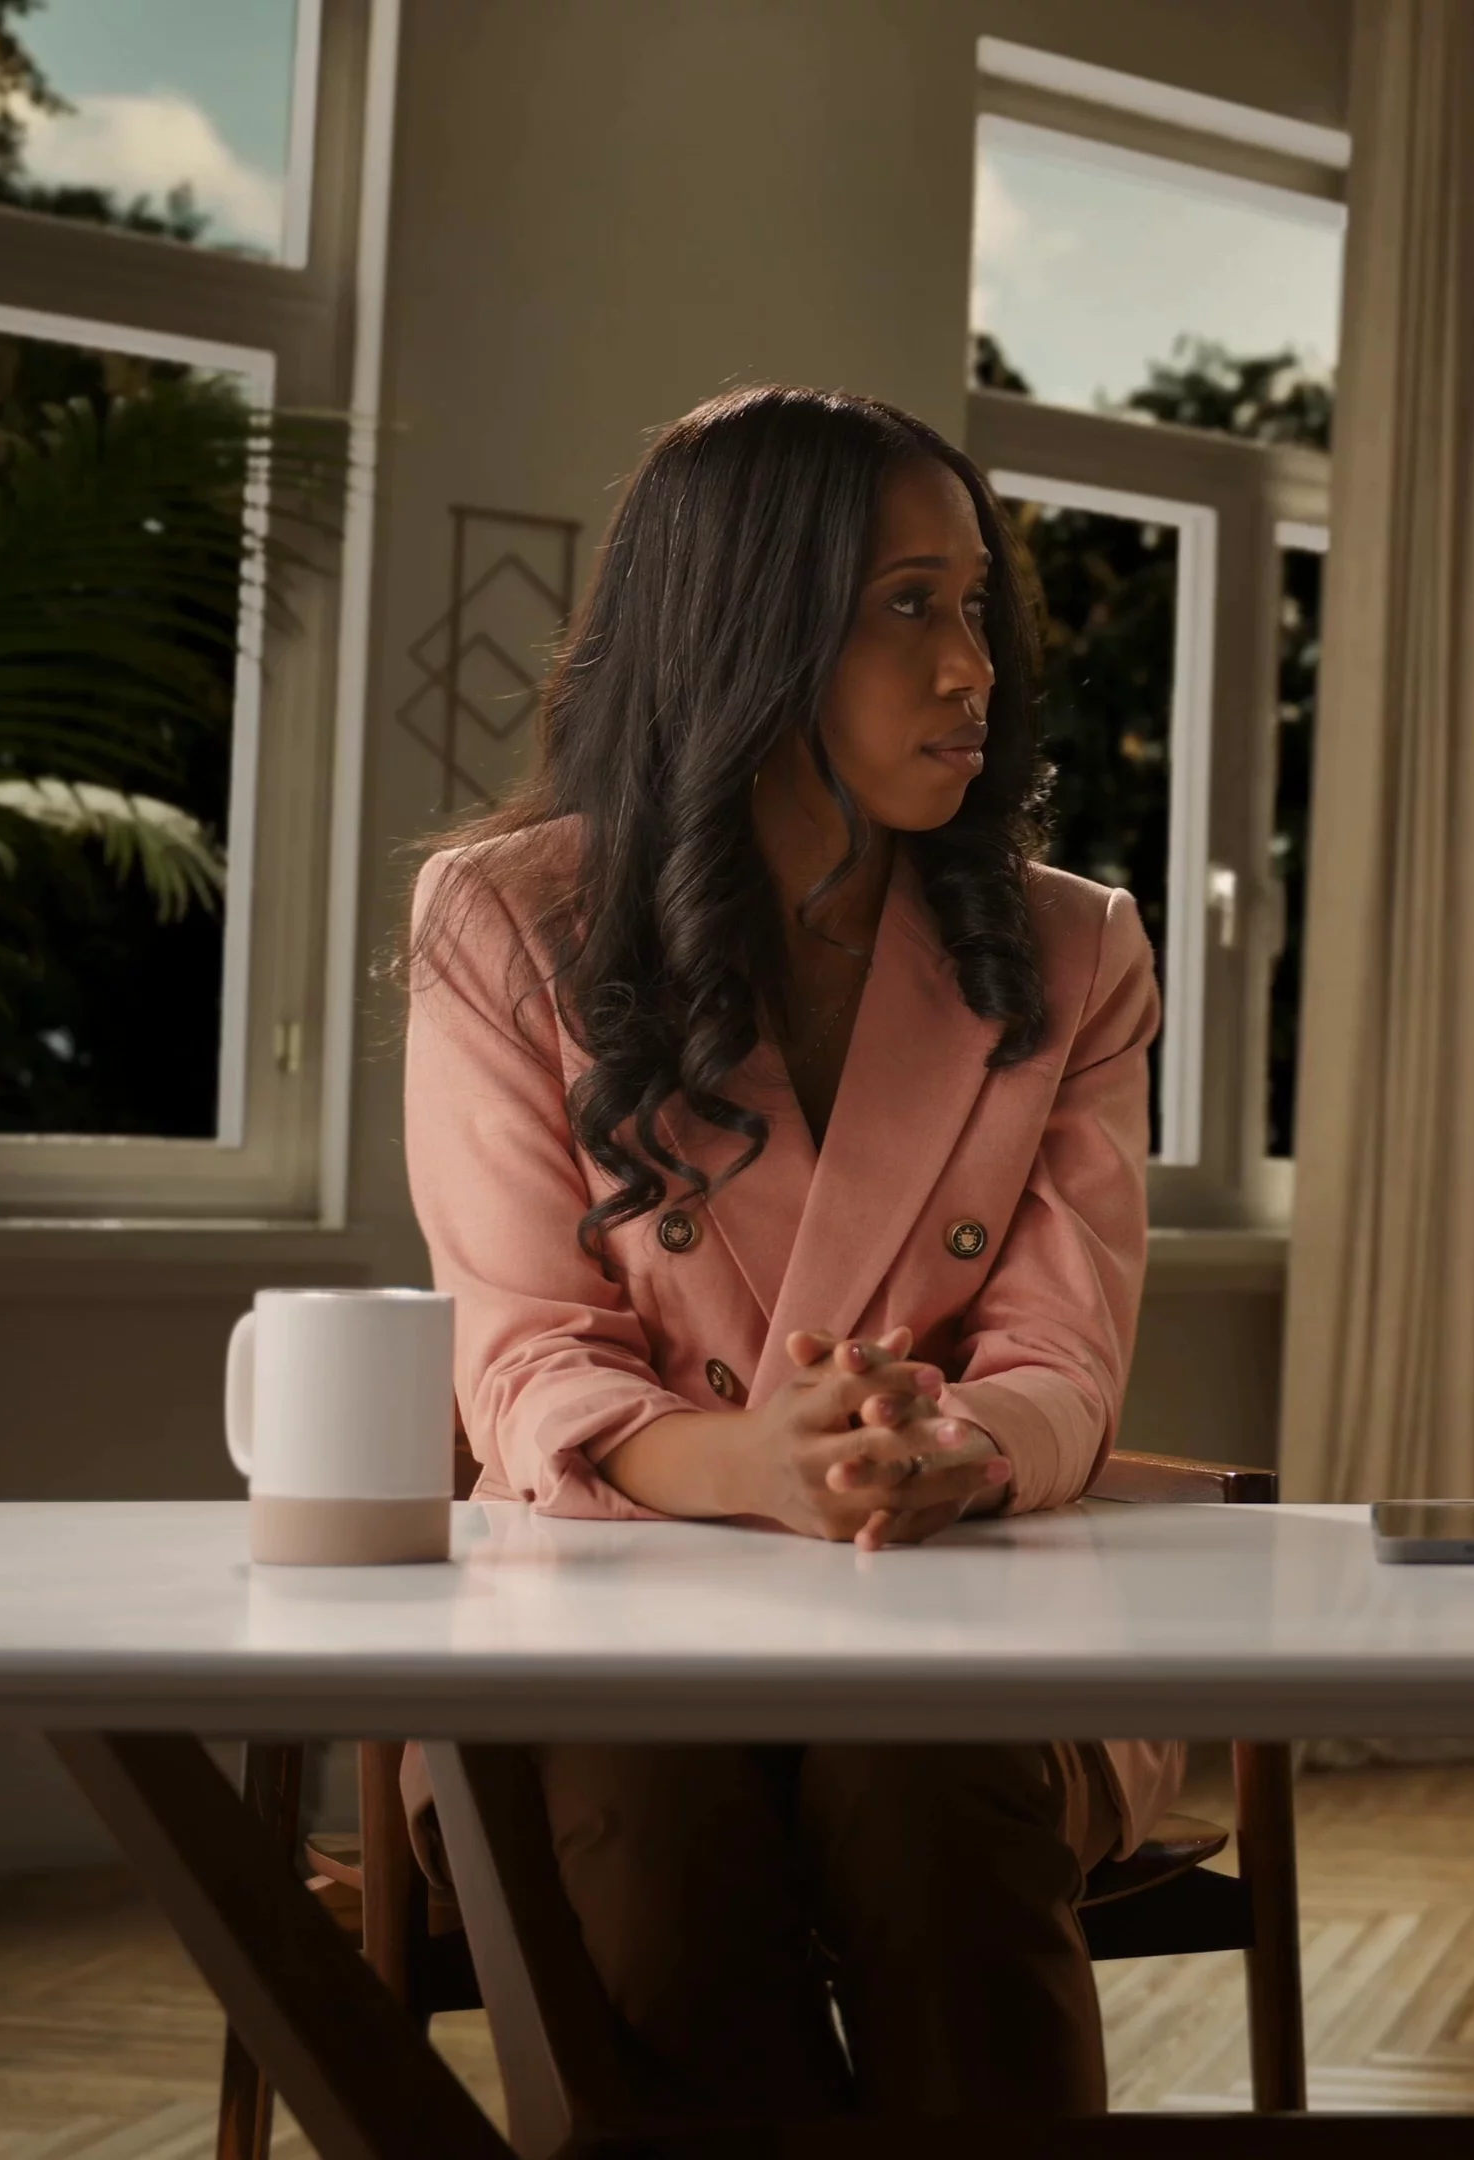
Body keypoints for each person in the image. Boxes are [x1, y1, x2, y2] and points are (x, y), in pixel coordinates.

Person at [404, 385, 1171, 2118]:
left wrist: (943, 1454)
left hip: (954, 1610)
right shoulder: (507, 921)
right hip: (596, 1631)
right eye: (908, 607)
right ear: (746, 629)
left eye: (976, 607)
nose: (972, 667)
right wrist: (754, 1463)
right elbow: (522, 1354)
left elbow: (1063, 1358)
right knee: (657, 1816)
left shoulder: (1076, 953)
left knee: (928, 1790)